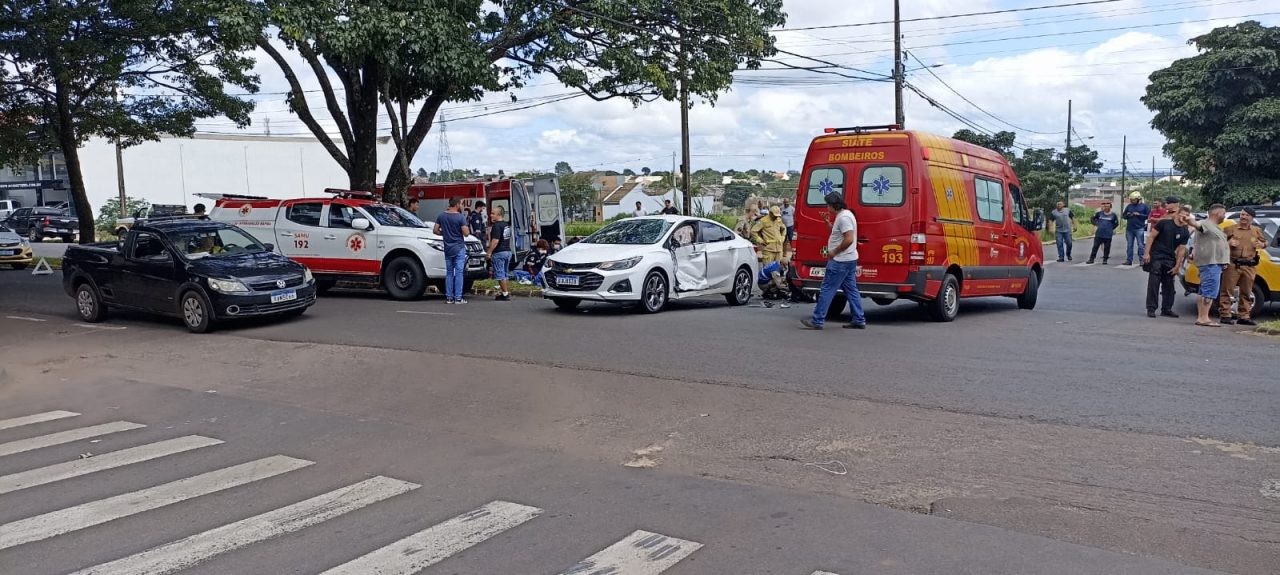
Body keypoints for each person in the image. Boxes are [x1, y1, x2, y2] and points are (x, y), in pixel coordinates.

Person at [802, 192, 866, 330]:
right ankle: (858, 318)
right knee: (851, 290)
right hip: (849, 259)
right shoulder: (845, 215)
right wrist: (828, 223)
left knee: (827, 289)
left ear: (833, 205)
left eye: (828, 205)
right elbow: (838, 233)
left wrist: (834, 251)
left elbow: (848, 238)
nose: (827, 208)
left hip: (840, 260)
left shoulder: (843, 218)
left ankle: (817, 320)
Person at [1219, 206, 1268, 326]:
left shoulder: (1256, 230)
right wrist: (1228, 243)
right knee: (1227, 290)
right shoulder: (1230, 229)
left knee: (1246, 292)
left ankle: (1244, 316)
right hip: (1233, 264)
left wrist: (1262, 244)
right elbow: (1219, 244)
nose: (1243, 217)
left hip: (1249, 265)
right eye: (1242, 214)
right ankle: (1225, 314)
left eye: (1246, 215)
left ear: (1252, 217)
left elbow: (1265, 242)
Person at [1142, 196, 1189, 318]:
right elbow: (1151, 237)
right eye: (1182, 215)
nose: (1184, 218)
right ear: (1177, 214)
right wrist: (1146, 254)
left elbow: (1181, 249)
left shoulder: (1185, 231)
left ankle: (1166, 309)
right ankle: (1151, 308)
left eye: (1186, 216)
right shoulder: (1164, 223)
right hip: (1157, 255)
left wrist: (1178, 265)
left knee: (1169, 285)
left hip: (1169, 258)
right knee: (1154, 283)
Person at [1188, 204, 1230, 326]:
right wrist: (1188, 220)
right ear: (1217, 213)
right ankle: (1203, 318)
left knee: (1204, 290)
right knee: (1209, 291)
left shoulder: (1215, 227)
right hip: (1211, 263)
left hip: (1214, 263)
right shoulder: (1206, 224)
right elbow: (1197, 225)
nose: (1224, 216)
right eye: (1223, 213)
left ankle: (1202, 317)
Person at [433, 197, 472, 304]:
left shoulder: (441, 216)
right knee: (459, 273)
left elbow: (435, 230)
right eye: (462, 203)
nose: (463, 206)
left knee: (449, 273)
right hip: (459, 247)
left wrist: (444, 233)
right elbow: (466, 233)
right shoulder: (460, 217)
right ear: (457, 204)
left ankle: (449, 298)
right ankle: (458, 298)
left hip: (448, 248)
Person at [486, 205, 514, 301]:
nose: (490, 215)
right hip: (508, 251)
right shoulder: (506, 225)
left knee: (500, 274)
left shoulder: (496, 226)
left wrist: (489, 252)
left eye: (493, 213)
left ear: (499, 215)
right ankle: (504, 292)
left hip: (499, 252)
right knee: (505, 273)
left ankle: (505, 294)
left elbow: (495, 241)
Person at [1121, 192, 1150, 265]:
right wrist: (1128, 215)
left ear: (1138, 199)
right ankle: (1129, 260)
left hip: (1139, 228)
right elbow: (1123, 216)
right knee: (1129, 245)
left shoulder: (1144, 206)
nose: (1132, 201)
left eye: (1133, 200)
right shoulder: (1129, 206)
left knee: (1140, 245)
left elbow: (1148, 216)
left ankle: (1141, 260)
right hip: (1129, 229)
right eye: (1131, 200)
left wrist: (1139, 215)